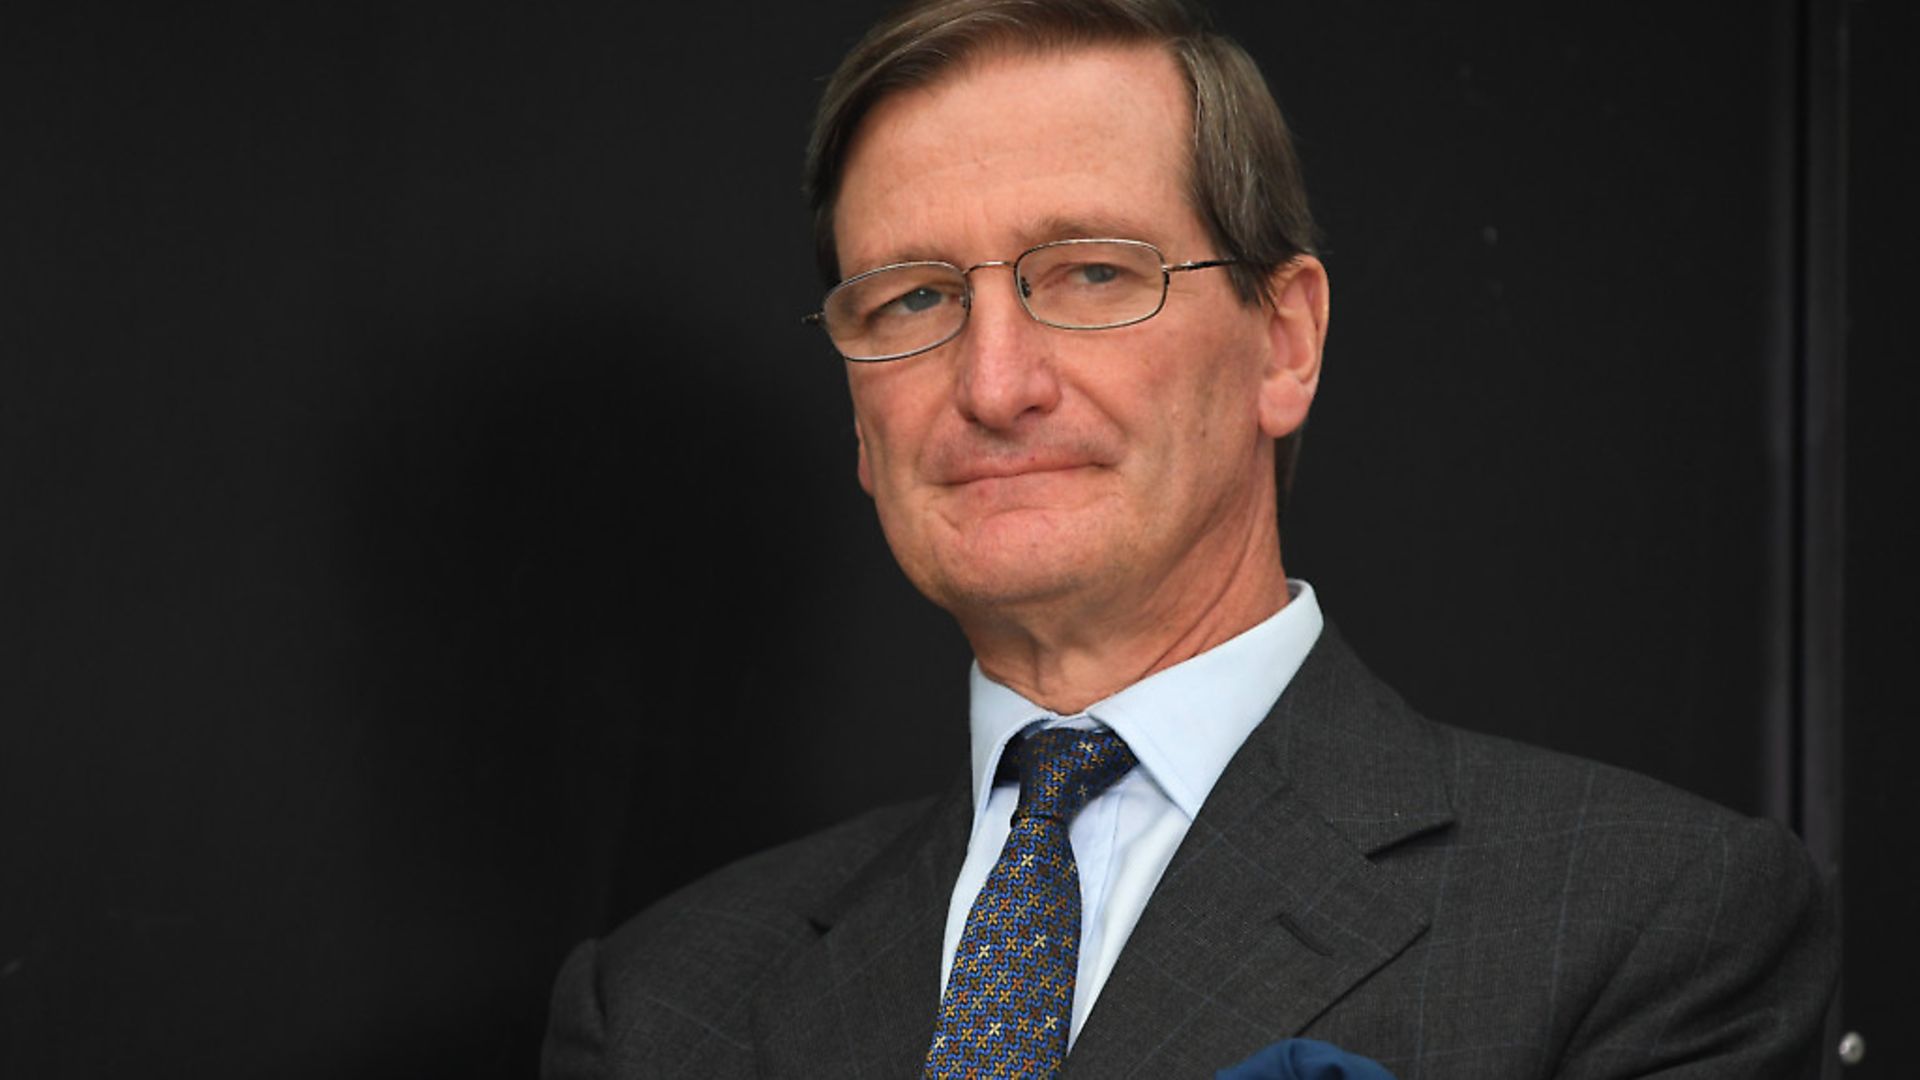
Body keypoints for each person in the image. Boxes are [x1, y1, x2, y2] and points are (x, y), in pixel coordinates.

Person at [542, 0, 1838, 1076]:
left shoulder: (1645, 922)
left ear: (1287, 341)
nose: (995, 384)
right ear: (861, 423)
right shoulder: (663, 1007)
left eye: (1092, 274)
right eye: (915, 298)